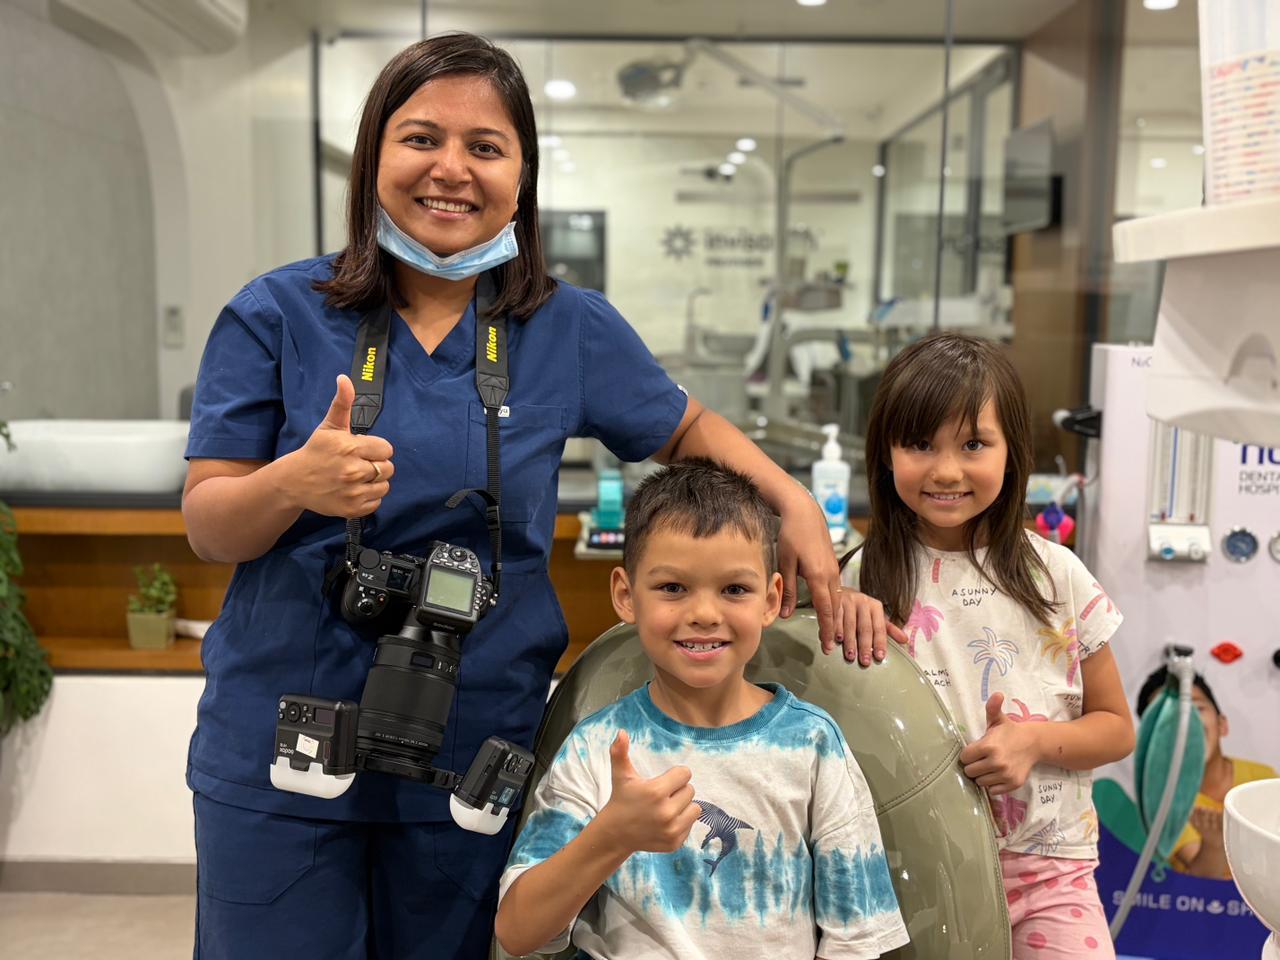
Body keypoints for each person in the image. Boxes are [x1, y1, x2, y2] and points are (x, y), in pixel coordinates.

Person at [180, 32, 879, 959]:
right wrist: (292, 482)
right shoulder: (277, 311)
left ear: (522, 176)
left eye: (485, 146)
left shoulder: (564, 326)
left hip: (470, 756)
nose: (451, 170)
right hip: (284, 753)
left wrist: (791, 500)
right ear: (373, 157)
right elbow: (209, 525)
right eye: (420, 138)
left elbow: (688, 428)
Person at [494, 458, 910, 959]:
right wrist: (611, 836)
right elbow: (517, 932)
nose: (704, 614)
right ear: (626, 596)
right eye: (673, 588)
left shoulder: (813, 746)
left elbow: (855, 941)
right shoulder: (596, 748)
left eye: (734, 589)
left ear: (771, 599)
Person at [847, 332, 1135, 960]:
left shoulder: (1058, 575)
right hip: (906, 876)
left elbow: (1117, 729)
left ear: (1013, 452)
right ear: (885, 453)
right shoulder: (858, 580)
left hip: (1047, 874)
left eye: (973, 444)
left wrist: (1034, 742)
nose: (946, 470)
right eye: (920, 444)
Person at [1136, 667, 1278, 879]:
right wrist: (1213, 844)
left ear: (1222, 724)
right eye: (1167, 717)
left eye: (1197, 708)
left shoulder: (1263, 778)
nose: (1186, 723)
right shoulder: (1163, 799)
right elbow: (1203, 882)